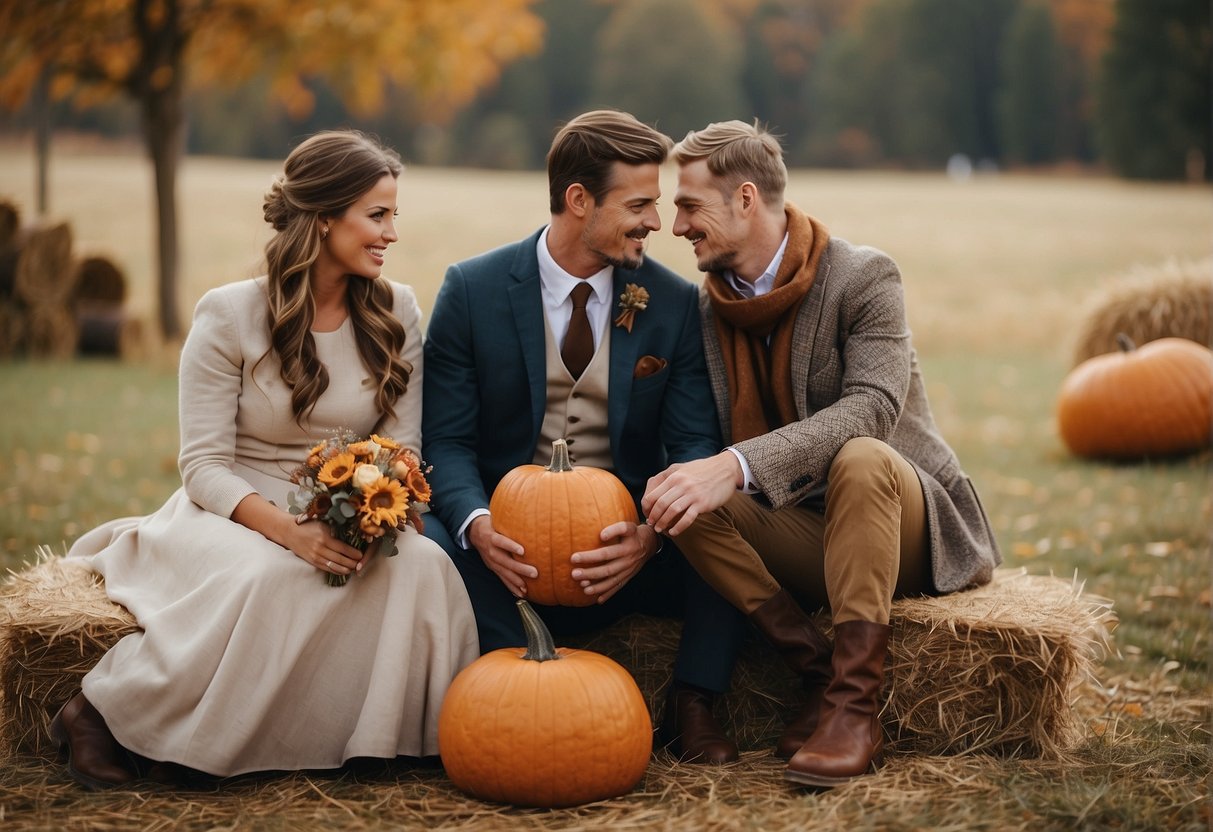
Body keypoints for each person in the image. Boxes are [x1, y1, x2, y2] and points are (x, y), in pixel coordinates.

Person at [50, 130, 479, 788]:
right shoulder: (228, 314)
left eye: (394, 215)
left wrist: (377, 513)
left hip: (348, 503)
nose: (391, 232)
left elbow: (403, 447)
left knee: (422, 567)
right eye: (377, 214)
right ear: (325, 216)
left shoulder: (397, 310)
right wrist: (289, 533)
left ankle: (377, 740)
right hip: (231, 508)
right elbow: (201, 467)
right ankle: (100, 713)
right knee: (271, 577)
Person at [642, 120, 1001, 787]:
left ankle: (854, 708)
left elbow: (872, 406)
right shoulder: (705, 308)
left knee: (859, 455)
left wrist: (736, 464)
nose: (675, 225)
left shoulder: (863, 276)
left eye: (688, 204)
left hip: (905, 522)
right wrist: (699, 478)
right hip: (807, 532)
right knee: (677, 498)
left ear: (744, 199)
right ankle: (817, 672)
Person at [422, 110, 748, 764]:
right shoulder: (472, 289)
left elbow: (690, 445)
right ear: (578, 201)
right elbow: (447, 443)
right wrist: (480, 528)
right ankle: (498, 688)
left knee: (722, 518)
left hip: (622, 552)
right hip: (502, 555)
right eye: (639, 205)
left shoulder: (674, 303)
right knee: (427, 546)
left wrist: (649, 538)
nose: (656, 223)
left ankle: (695, 700)